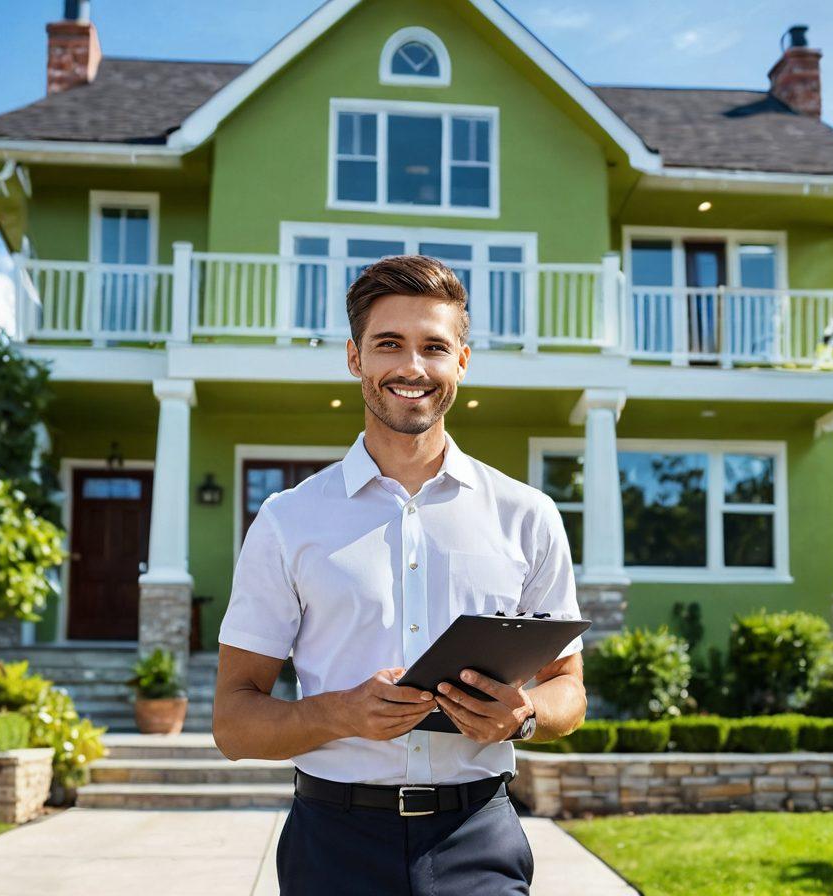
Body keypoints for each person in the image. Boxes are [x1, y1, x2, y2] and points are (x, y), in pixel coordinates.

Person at [213, 254, 587, 895]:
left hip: (479, 839)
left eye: (434, 347)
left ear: (461, 363)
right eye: (390, 344)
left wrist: (521, 715)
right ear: (356, 358)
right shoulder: (287, 521)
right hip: (333, 845)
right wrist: (340, 713)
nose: (412, 367)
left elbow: (569, 691)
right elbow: (234, 722)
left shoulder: (528, 515)